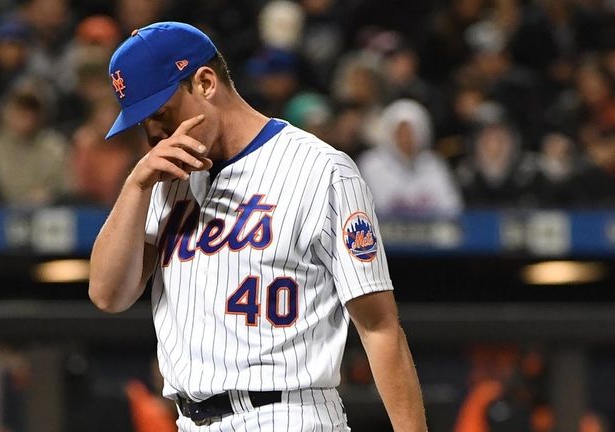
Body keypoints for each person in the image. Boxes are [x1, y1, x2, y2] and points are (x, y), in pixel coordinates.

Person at [88, 22, 426, 431]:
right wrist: (136, 184)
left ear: (206, 82)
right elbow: (107, 295)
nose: (154, 133)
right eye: (141, 123)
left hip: (287, 413)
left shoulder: (320, 170)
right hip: (189, 420)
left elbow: (379, 326)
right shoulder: (163, 181)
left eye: (160, 113)